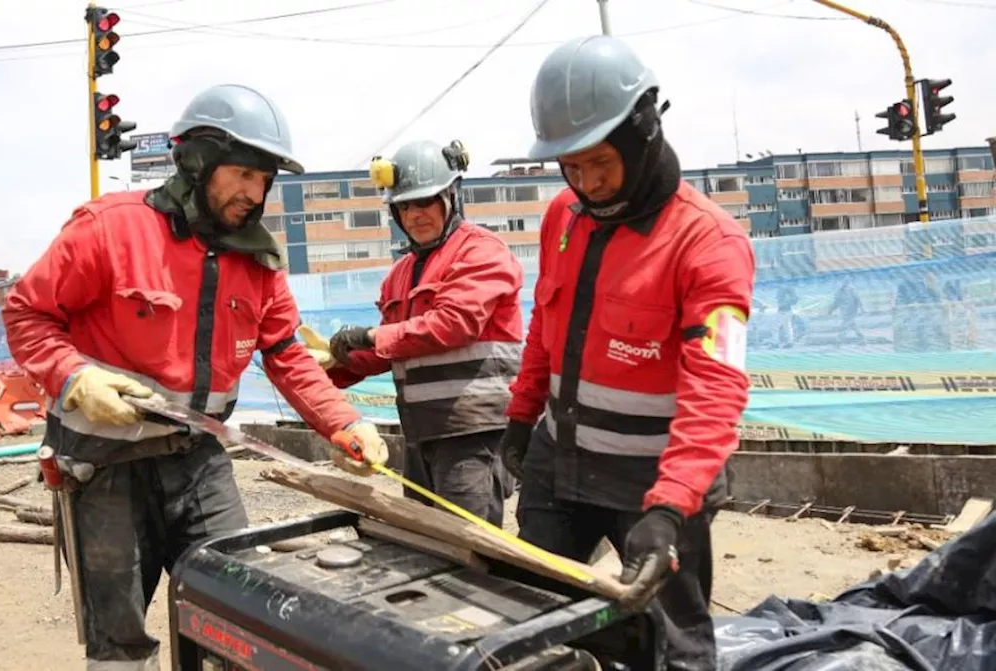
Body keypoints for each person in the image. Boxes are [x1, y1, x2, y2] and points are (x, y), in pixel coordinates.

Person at [2, 83, 390, 671]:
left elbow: (286, 353)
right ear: (197, 160)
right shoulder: (110, 229)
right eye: (242, 174)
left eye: (265, 179)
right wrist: (73, 377)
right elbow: (26, 313)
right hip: (103, 463)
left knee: (234, 607)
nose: (255, 193)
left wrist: (345, 422)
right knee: (119, 634)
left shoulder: (257, 263)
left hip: (199, 457)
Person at [500, 36, 755, 671]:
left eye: (601, 165)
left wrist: (670, 507)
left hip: (653, 482)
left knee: (672, 642)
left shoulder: (710, 244)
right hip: (560, 465)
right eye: (571, 167)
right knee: (533, 616)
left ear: (643, 133)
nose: (587, 184)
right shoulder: (564, 216)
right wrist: (520, 415)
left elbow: (717, 391)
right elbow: (547, 323)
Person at [308, 139, 523, 526]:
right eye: (404, 206)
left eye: (424, 202)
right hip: (421, 433)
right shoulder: (399, 274)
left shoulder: (481, 252)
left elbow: (453, 324)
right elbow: (392, 348)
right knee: (428, 539)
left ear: (450, 197)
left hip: (471, 432)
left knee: (469, 546)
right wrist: (328, 367)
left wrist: (368, 336)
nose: (414, 214)